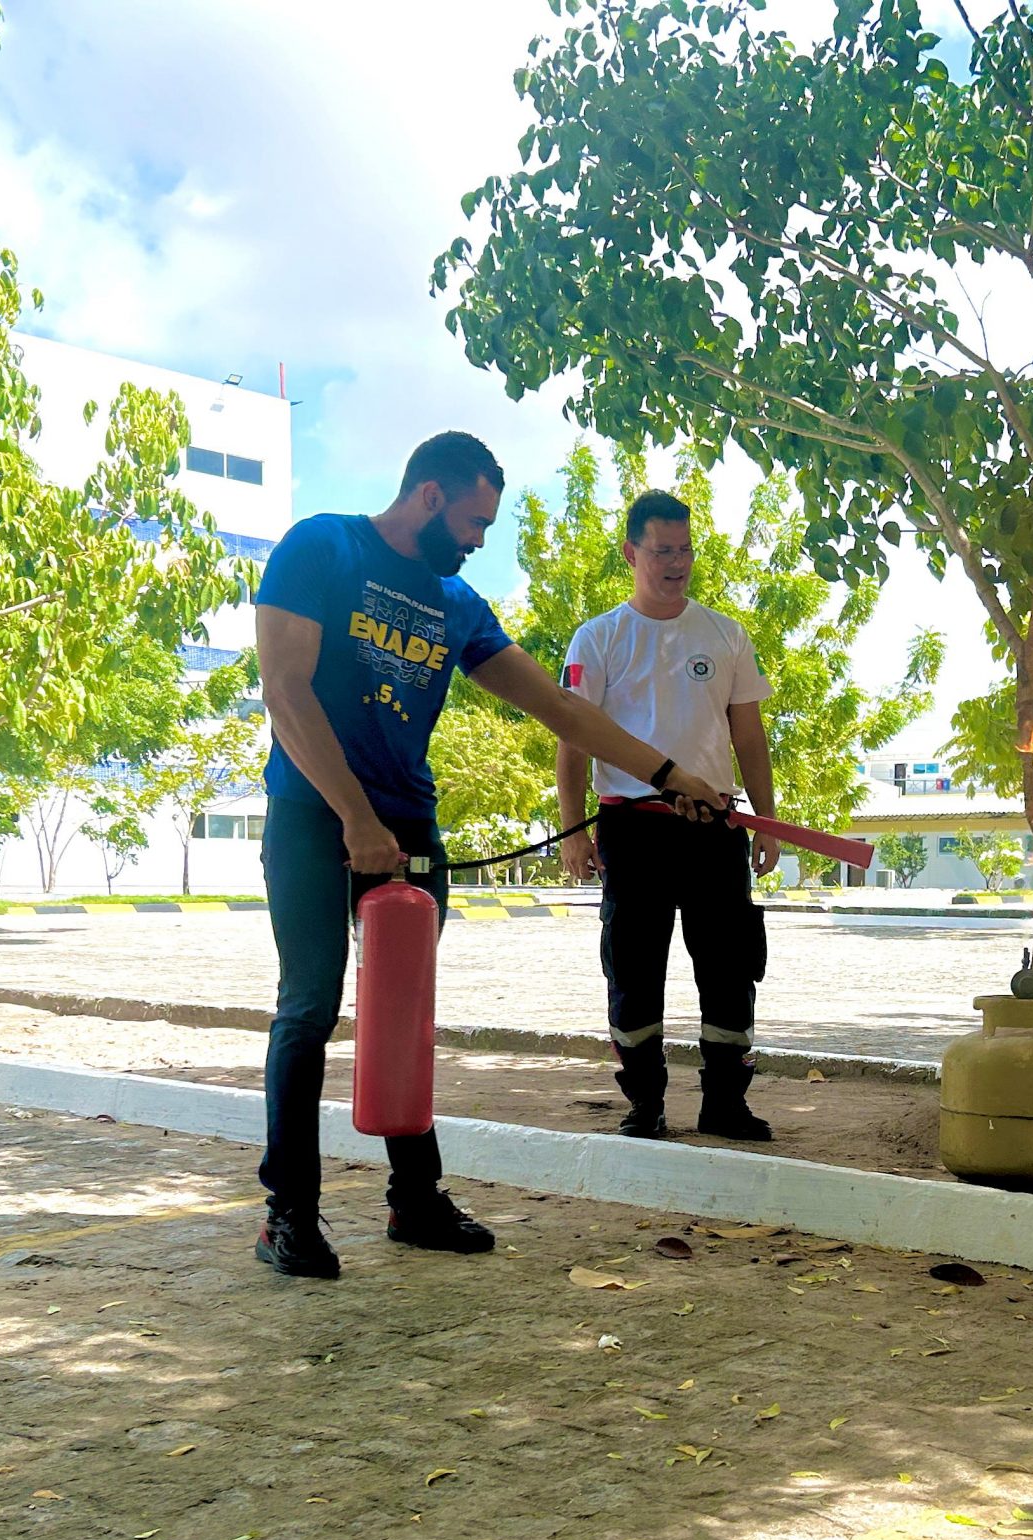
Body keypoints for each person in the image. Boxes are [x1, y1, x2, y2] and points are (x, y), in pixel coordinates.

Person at [253, 432, 729, 1280]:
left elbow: (560, 708)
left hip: (409, 826)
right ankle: (287, 1211)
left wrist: (668, 775)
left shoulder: (455, 602)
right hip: (313, 815)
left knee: (403, 1016)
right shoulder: (322, 546)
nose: (479, 541)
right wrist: (355, 818)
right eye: (475, 522)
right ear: (430, 496)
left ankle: (414, 1200)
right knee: (310, 1006)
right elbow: (284, 690)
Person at [556, 489, 779, 1142]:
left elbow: (750, 738)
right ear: (632, 553)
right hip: (632, 829)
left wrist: (767, 821)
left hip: (715, 827)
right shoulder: (599, 638)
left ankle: (725, 1104)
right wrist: (573, 833)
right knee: (633, 968)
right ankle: (644, 1102)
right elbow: (571, 741)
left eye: (684, 550)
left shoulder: (725, 634)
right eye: (662, 551)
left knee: (731, 966)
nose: (676, 563)